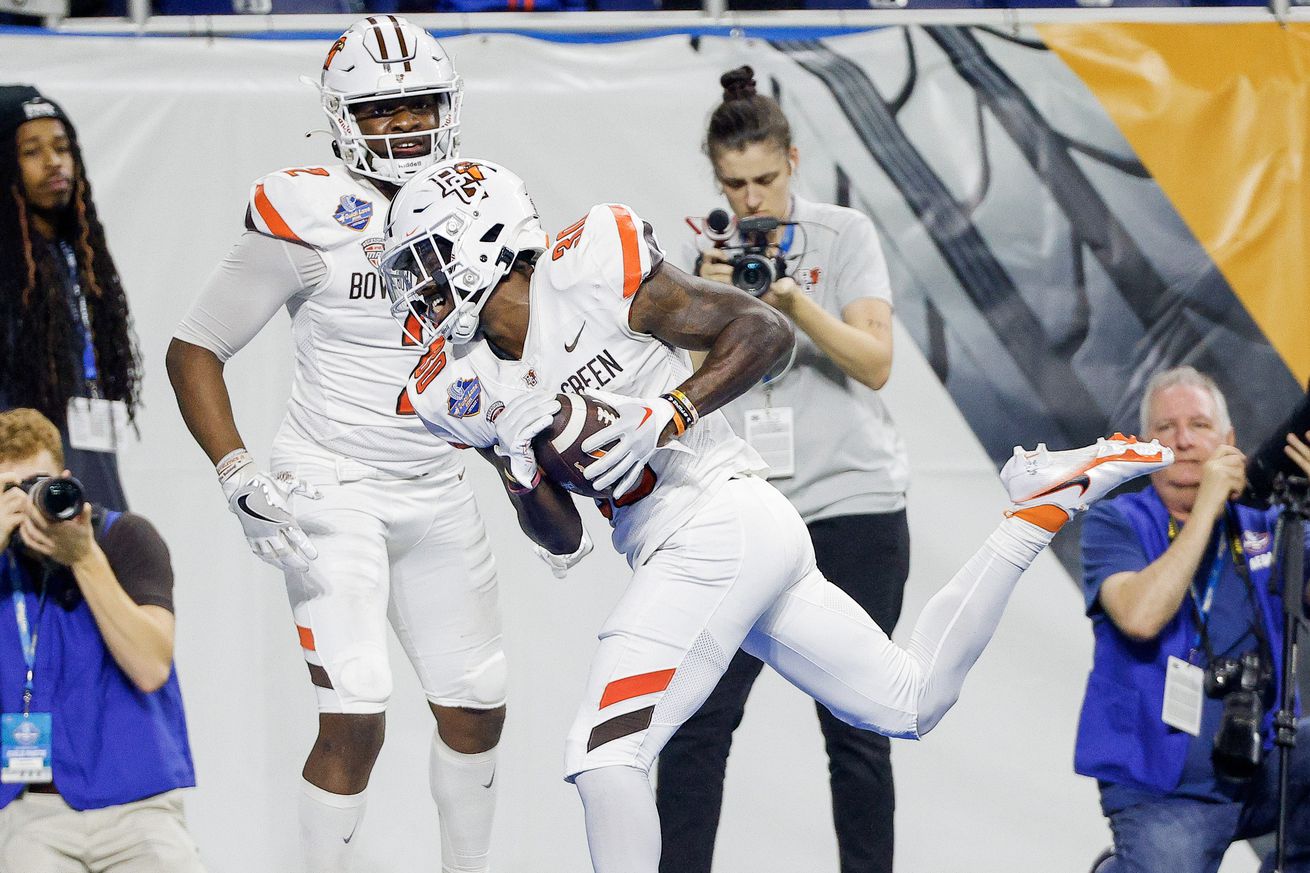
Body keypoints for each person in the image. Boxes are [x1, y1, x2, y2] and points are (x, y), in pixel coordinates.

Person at [379, 155, 1172, 873]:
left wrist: (670, 411)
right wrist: (517, 470)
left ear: (479, 241)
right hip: (692, 539)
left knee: (604, 751)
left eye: (421, 264)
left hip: (717, 516)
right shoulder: (460, 384)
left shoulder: (587, 272)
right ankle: (1037, 510)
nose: (414, 290)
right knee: (908, 699)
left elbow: (764, 330)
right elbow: (564, 535)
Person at [165, 18, 505, 873]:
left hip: (437, 484)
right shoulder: (305, 210)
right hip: (332, 483)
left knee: (478, 705)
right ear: (341, 115)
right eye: (383, 109)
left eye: (420, 104)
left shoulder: (486, 202)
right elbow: (194, 347)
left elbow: (516, 346)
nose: (406, 125)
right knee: (357, 708)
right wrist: (236, 468)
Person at [656, 65, 909, 873]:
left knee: (859, 728)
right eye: (735, 184)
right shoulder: (707, 252)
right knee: (697, 719)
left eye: (765, 179)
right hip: (746, 510)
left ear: (793, 162)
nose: (752, 199)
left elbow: (875, 364)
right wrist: (718, 304)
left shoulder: (845, 235)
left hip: (851, 505)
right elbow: (687, 383)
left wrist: (795, 304)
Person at [1077, 366, 1310, 873]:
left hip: (1260, 762)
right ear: (1144, 446)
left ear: (1229, 440)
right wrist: (1207, 504)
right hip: (1161, 788)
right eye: (1165, 428)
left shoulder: (1269, 522)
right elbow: (1140, 617)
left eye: (1200, 426)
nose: (1183, 441)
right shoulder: (1115, 522)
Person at [0, 408, 204, 872]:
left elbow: (151, 666)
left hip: (139, 805)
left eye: (36, 485)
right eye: (6, 489)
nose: (25, 502)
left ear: (66, 480)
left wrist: (85, 558)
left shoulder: (125, 537)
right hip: (28, 812)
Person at [0, 85, 142, 512]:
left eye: (62, 148)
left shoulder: (76, 254)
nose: (54, 162)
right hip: (20, 477)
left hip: (87, 461)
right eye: (32, 152)